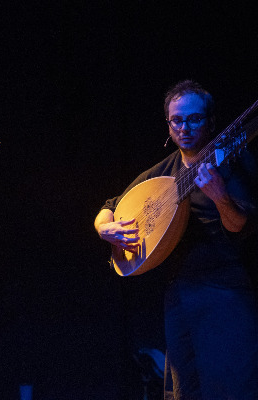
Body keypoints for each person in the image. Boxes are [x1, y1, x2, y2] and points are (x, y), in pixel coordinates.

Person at [94, 80, 258, 399]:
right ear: (169, 126)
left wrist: (221, 198)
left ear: (210, 122)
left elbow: (241, 226)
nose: (185, 127)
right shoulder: (163, 173)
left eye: (194, 119)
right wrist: (104, 228)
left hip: (225, 290)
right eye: (177, 120)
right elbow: (111, 205)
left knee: (231, 386)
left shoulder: (231, 162)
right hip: (179, 294)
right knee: (185, 390)